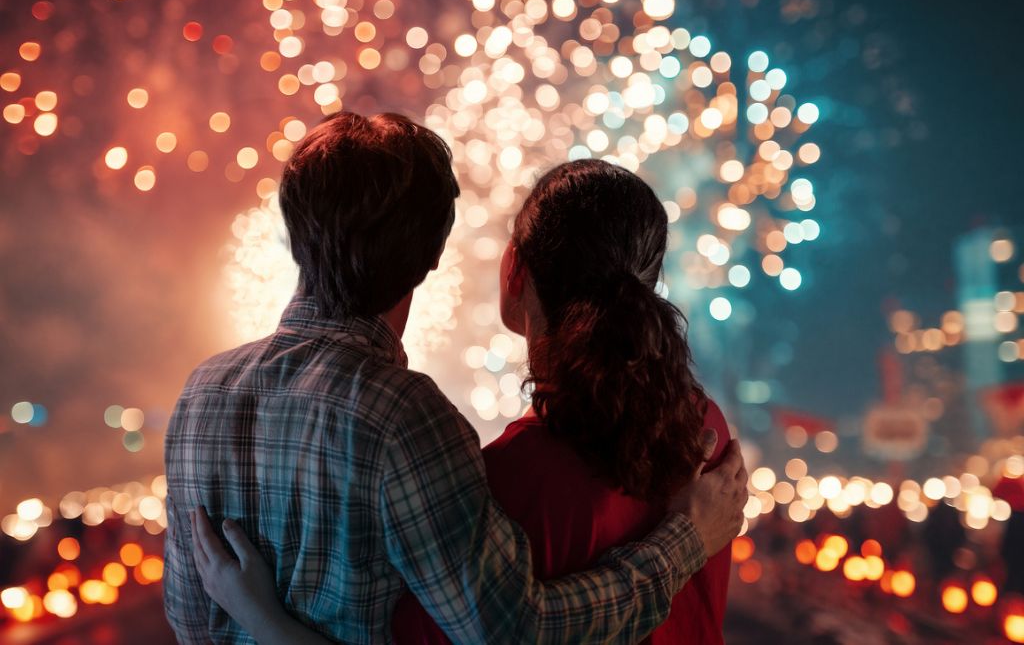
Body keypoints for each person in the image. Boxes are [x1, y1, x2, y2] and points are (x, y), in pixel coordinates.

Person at [167, 112, 747, 644]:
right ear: (432, 255)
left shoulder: (200, 395)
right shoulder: (703, 430)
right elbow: (510, 632)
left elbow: (191, 620)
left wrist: (264, 620)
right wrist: (684, 543)